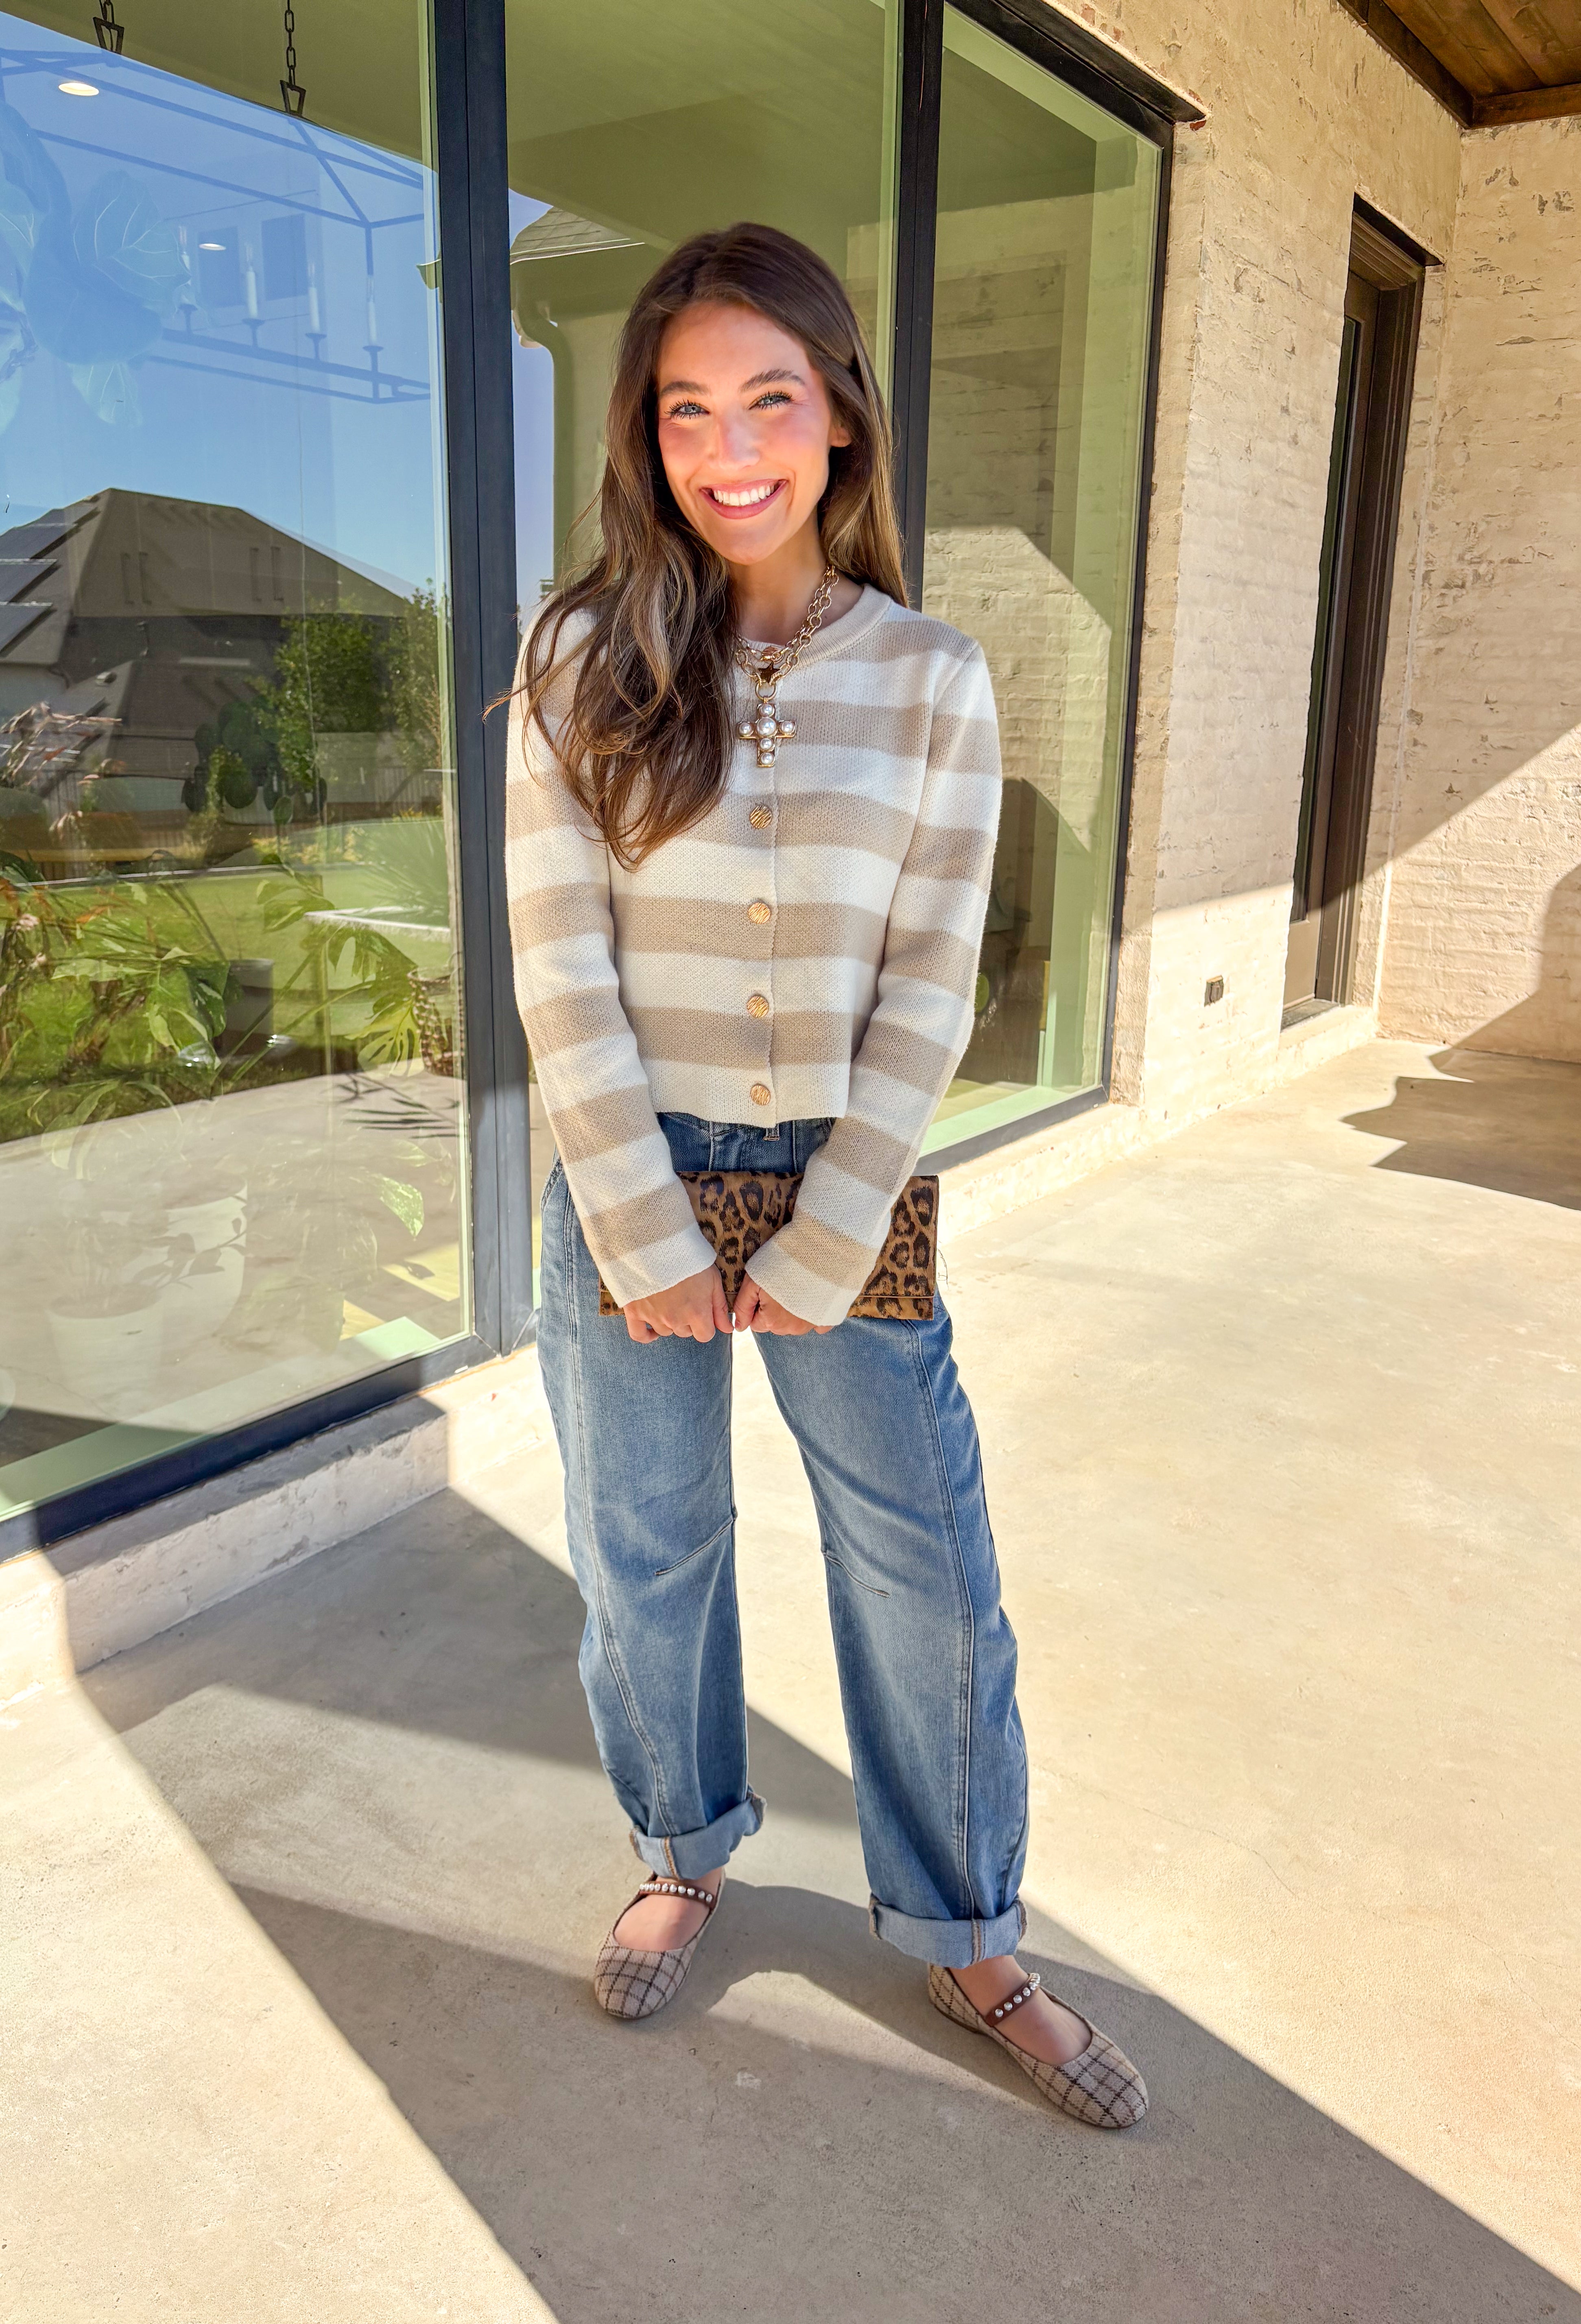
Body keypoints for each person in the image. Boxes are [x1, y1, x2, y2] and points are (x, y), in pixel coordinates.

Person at [505, 222, 1146, 2129]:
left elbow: (935, 974)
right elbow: (560, 960)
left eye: (769, 398)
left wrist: (829, 1223)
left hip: (841, 1181)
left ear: (842, 419)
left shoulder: (936, 678)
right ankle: (683, 1846)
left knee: (925, 1558)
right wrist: (637, 1222)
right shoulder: (578, 655)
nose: (731, 448)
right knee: (650, 1543)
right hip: (627, 1165)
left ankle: (963, 1929)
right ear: (648, 435)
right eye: (687, 408)